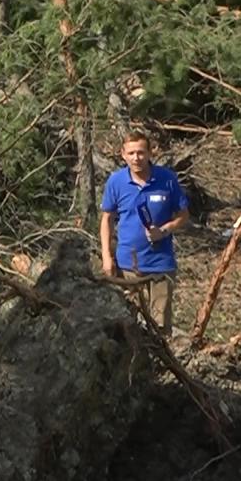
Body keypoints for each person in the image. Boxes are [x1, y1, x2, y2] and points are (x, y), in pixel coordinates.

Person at [99, 131, 190, 334]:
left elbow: (184, 216)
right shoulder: (116, 182)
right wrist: (106, 256)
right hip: (127, 265)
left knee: (159, 327)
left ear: (150, 153)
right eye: (131, 153)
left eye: (141, 152)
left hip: (160, 264)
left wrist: (165, 230)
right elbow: (107, 219)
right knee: (128, 324)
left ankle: (160, 363)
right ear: (123, 154)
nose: (136, 158)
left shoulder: (166, 179)